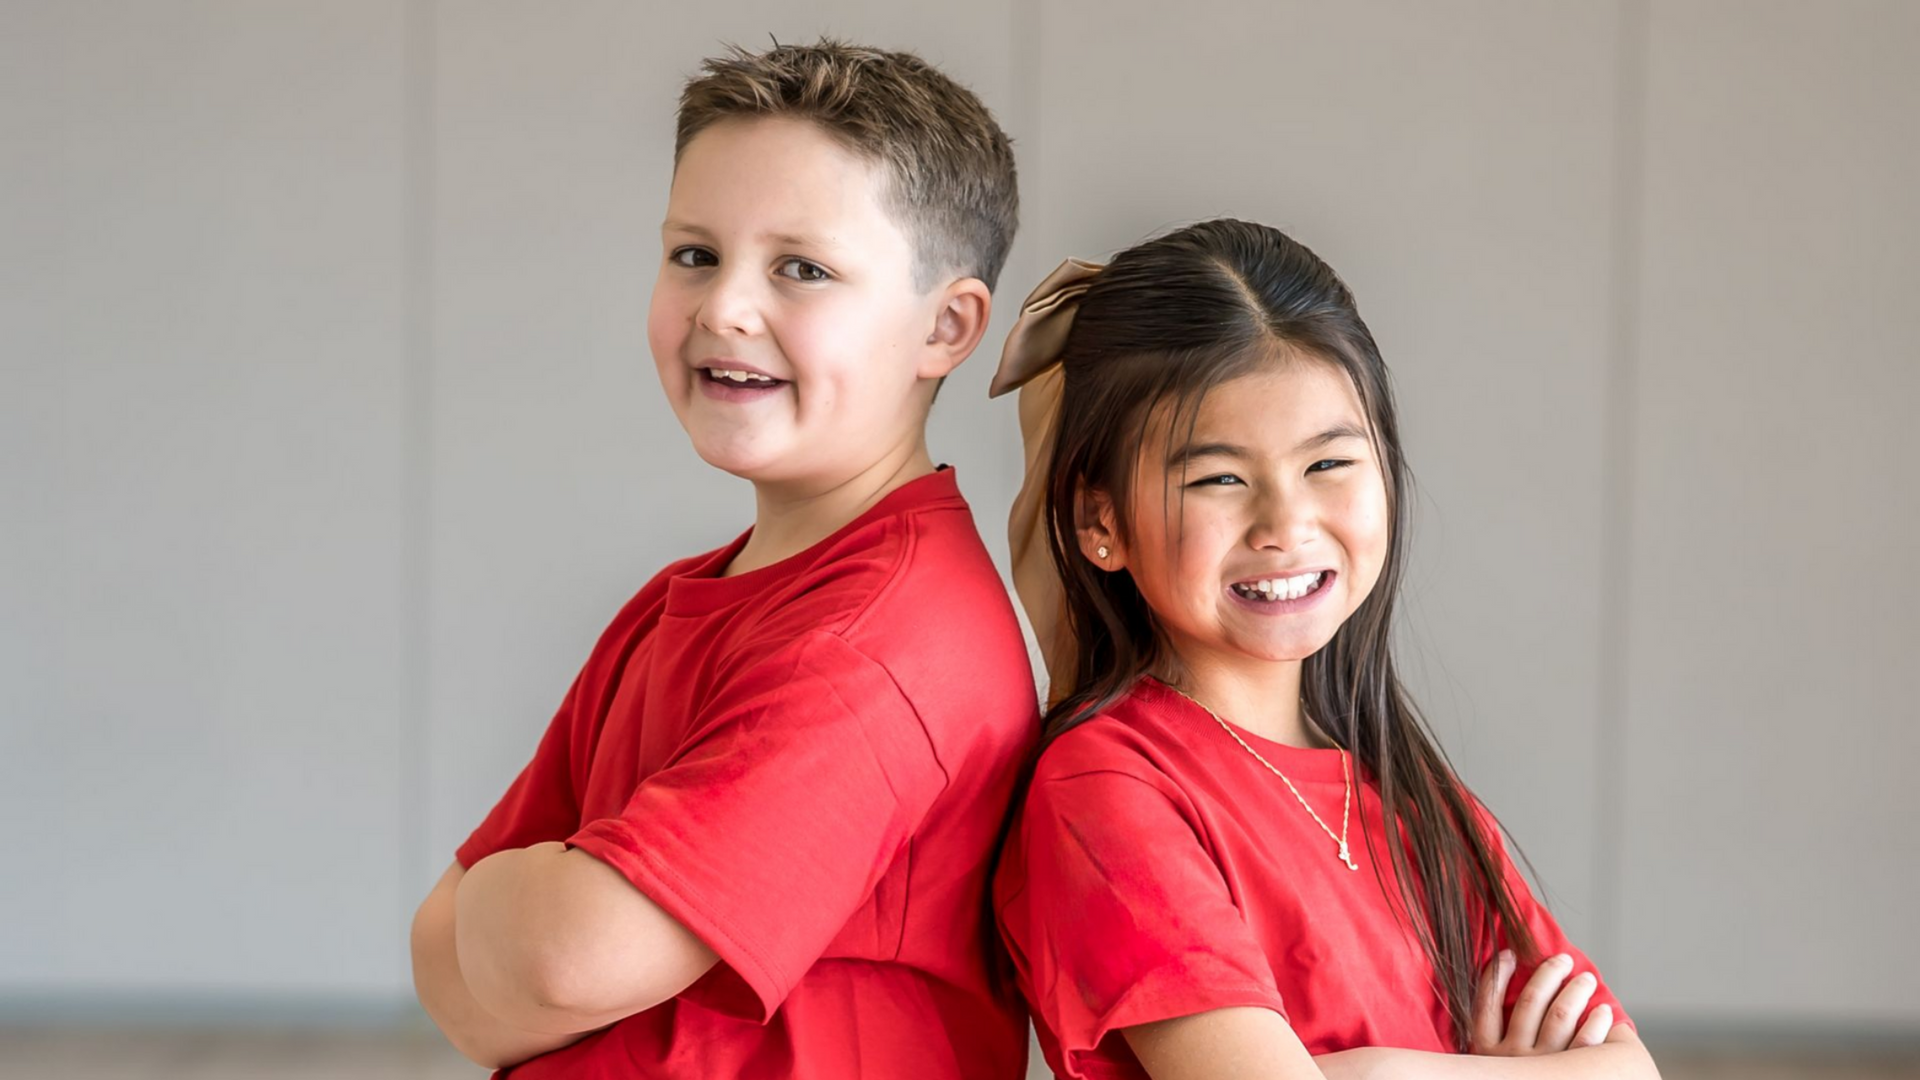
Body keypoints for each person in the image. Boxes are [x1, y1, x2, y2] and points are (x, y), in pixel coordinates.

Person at [410, 40, 1037, 1079]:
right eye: (694, 254)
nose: (723, 309)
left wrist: (506, 906)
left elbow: (563, 962)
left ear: (947, 325)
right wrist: (509, 929)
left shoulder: (877, 646)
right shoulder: (684, 601)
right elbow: (452, 984)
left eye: (802, 268)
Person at [990, 219, 1660, 1079]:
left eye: (1329, 465)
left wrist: (1377, 1075)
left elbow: (1629, 1070)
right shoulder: (1107, 785)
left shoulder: (1416, 793)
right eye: (1218, 479)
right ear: (1101, 522)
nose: (1286, 527)